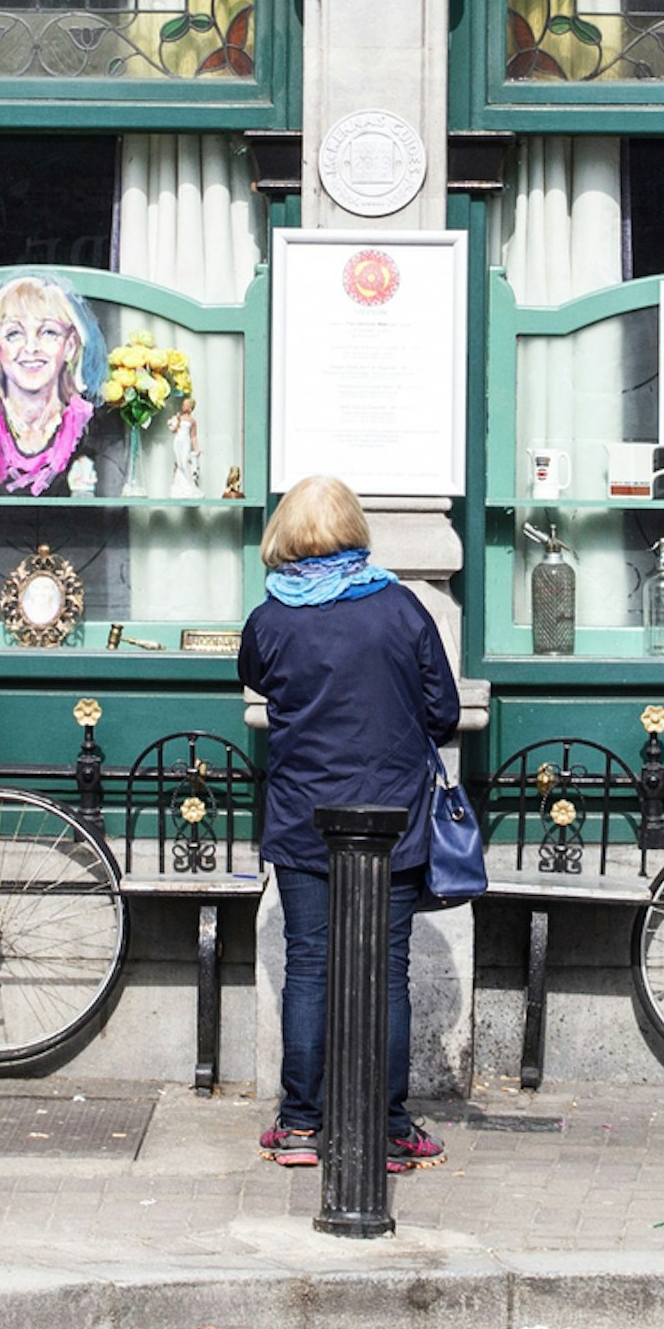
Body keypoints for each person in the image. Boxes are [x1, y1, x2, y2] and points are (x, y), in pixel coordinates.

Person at [238, 473, 460, 1173]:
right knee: (388, 971)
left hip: (305, 817)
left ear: (288, 533)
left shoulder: (271, 617)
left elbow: (257, 682)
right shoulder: (401, 607)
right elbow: (445, 713)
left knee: (309, 966)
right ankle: (388, 1126)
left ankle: (301, 1123)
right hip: (390, 817)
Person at [0, 271, 114, 496]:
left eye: (48, 332)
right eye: (14, 334)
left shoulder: (91, 425)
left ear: (70, 345)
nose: (31, 348)